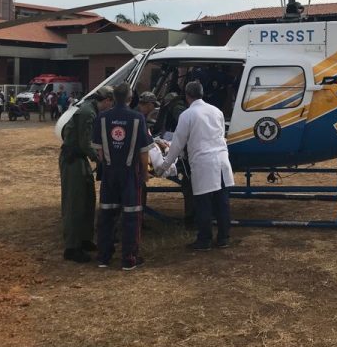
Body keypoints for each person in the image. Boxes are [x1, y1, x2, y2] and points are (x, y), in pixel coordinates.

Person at [156, 81, 234, 251]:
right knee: (222, 201)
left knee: (203, 203)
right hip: (222, 160)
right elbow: (221, 134)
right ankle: (224, 238)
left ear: (187, 96)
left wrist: (164, 166)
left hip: (203, 162)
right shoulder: (217, 111)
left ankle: (204, 240)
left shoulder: (187, 115)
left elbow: (177, 143)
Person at [92, 83, 152, 270]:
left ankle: (104, 257)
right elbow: (144, 152)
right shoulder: (137, 118)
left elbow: (99, 152)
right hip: (129, 173)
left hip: (109, 172)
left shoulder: (102, 118)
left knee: (107, 214)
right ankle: (129, 258)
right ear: (130, 98)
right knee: (132, 215)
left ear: (113, 98)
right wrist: (144, 173)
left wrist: (108, 164)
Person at [60, 85, 114, 263]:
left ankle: (84, 238)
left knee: (88, 199)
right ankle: (72, 247)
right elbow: (85, 143)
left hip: (80, 159)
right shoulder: (88, 113)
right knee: (75, 202)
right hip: (73, 159)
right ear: (107, 101)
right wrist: (101, 160)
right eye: (111, 103)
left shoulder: (91, 110)